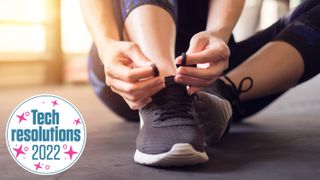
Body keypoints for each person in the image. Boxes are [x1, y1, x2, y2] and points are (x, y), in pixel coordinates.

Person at [80, 0, 320, 166]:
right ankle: (163, 87)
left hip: (211, 69)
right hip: (127, 65)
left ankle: (223, 92)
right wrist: (107, 45)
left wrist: (218, 34)